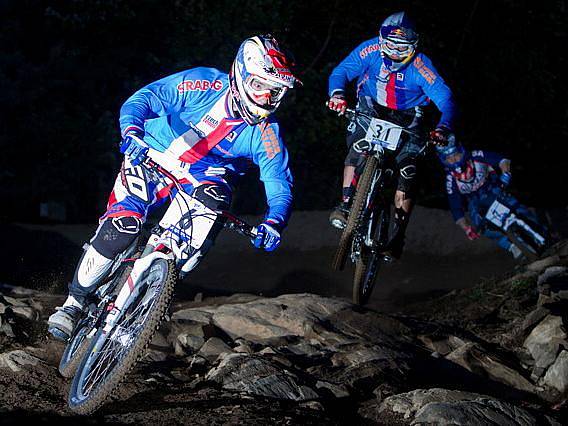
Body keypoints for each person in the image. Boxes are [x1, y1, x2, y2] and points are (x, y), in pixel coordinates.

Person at [48, 35, 300, 341]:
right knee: (123, 225)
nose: (266, 98)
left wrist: (274, 222)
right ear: (241, 75)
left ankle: (149, 298)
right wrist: (132, 131)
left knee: (216, 200)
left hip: (203, 176)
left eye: (275, 92)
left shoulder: (266, 132)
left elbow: (278, 181)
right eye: (259, 86)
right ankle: (73, 303)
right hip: (151, 151)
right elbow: (145, 99)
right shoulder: (203, 84)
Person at [327, 11, 457, 259]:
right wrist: (337, 95)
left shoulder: (421, 66)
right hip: (371, 104)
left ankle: (398, 236)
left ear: (414, 46)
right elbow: (341, 71)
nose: (395, 52)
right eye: (390, 45)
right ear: (380, 40)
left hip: (409, 116)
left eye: (402, 47)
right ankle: (345, 205)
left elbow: (447, 101)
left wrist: (442, 128)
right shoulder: (370, 50)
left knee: (408, 170)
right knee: (358, 146)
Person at [437, 139, 544, 259]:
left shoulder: (477, 156)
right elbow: (456, 208)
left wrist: (506, 173)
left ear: (461, 151)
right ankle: (511, 246)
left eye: (455, 154)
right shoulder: (450, 180)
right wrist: (466, 228)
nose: (454, 160)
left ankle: (542, 232)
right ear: (443, 160)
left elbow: (502, 159)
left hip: (493, 187)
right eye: (448, 158)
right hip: (475, 202)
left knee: (516, 206)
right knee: (480, 224)